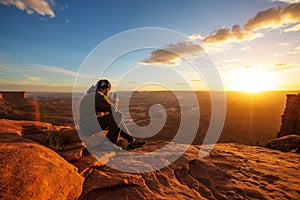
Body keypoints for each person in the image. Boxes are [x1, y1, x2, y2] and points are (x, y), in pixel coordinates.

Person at [79, 79, 145, 150]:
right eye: (108, 90)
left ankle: (132, 140)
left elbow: (102, 111)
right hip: (89, 126)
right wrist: (115, 101)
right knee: (118, 116)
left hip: (86, 125)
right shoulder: (98, 95)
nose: (107, 92)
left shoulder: (88, 96)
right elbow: (113, 110)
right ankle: (109, 143)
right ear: (106, 88)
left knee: (118, 120)